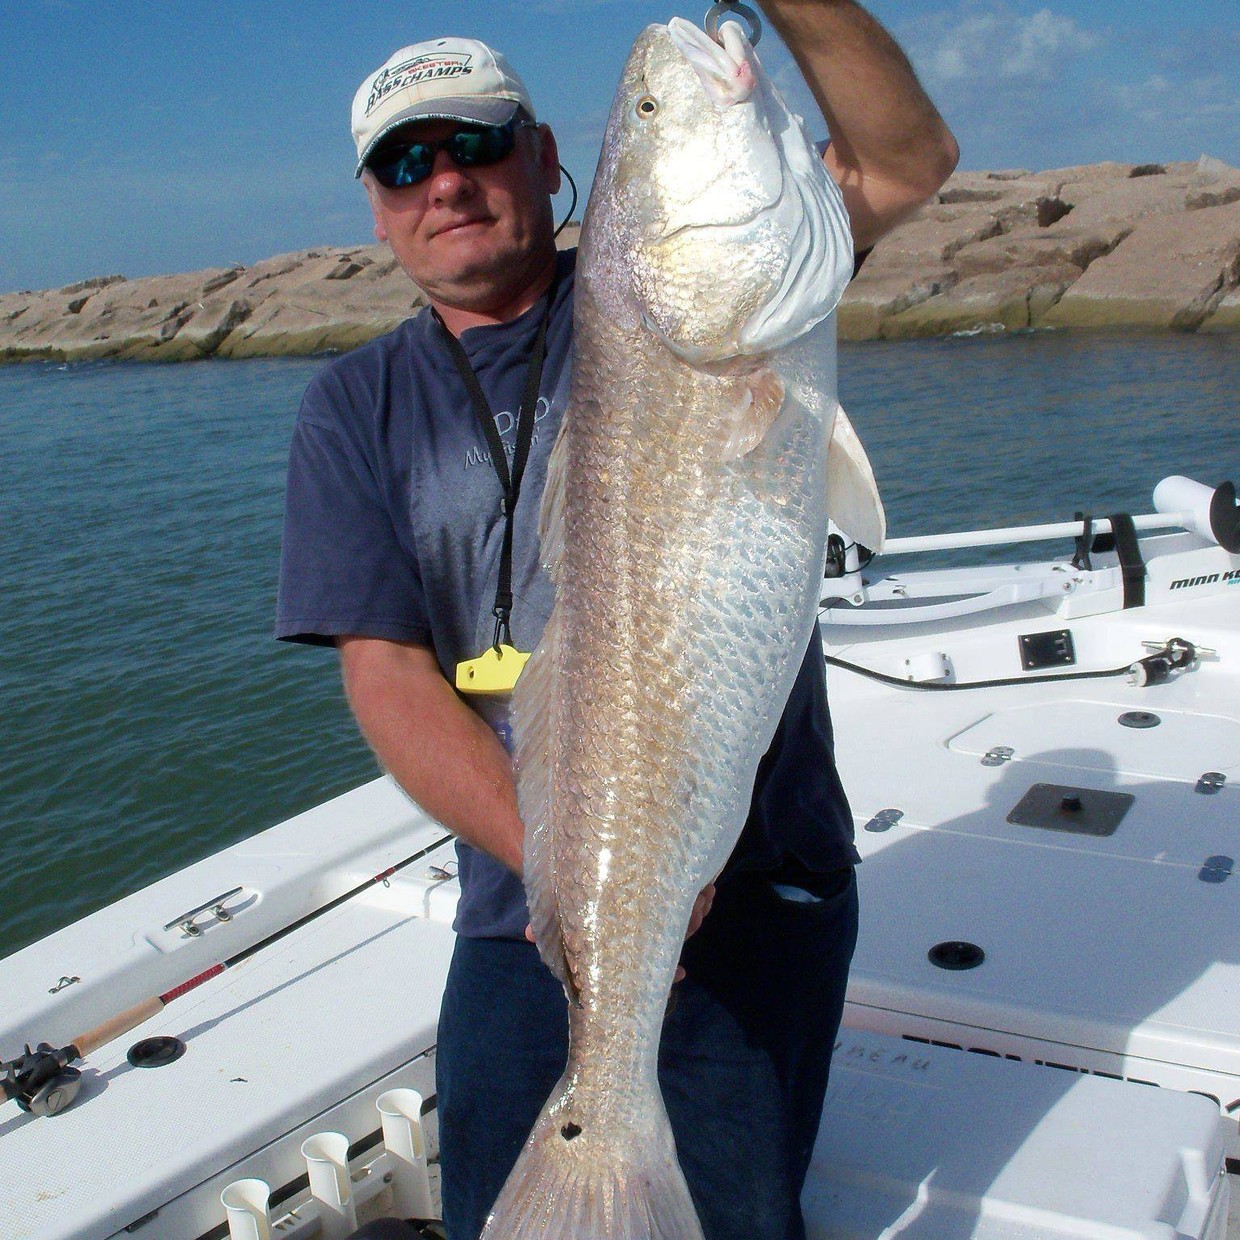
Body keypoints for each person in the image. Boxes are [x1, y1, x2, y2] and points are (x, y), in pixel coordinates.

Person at [276, 6, 957, 1238]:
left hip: (764, 880)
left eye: (474, 143)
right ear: (377, 207)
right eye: (405, 163)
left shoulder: (681, 288)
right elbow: (386, 676)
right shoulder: (352, 406)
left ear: (542, 158)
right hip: (523, 901)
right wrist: (586, 873)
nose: (446, 183)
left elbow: (904, 161)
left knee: (741, 1213)